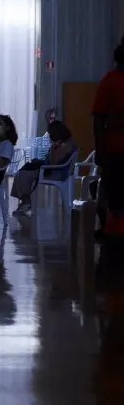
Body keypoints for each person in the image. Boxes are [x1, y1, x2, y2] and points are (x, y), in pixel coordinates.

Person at [93, 39, 124, 256]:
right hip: (114, 150)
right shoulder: (110, 81)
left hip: (115, 149)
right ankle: (112, 236)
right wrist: (100, 151)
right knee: (115, 196)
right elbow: (97, 118)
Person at [11, 120, 75, 215]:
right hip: (49, 169)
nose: (49, 137)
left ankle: (26, 200)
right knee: (21, 174)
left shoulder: (62, 145)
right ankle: (25, 200)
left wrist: (53, 148)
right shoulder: (66, 142)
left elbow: (53, 163)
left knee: (22, 175)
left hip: (54, 172)